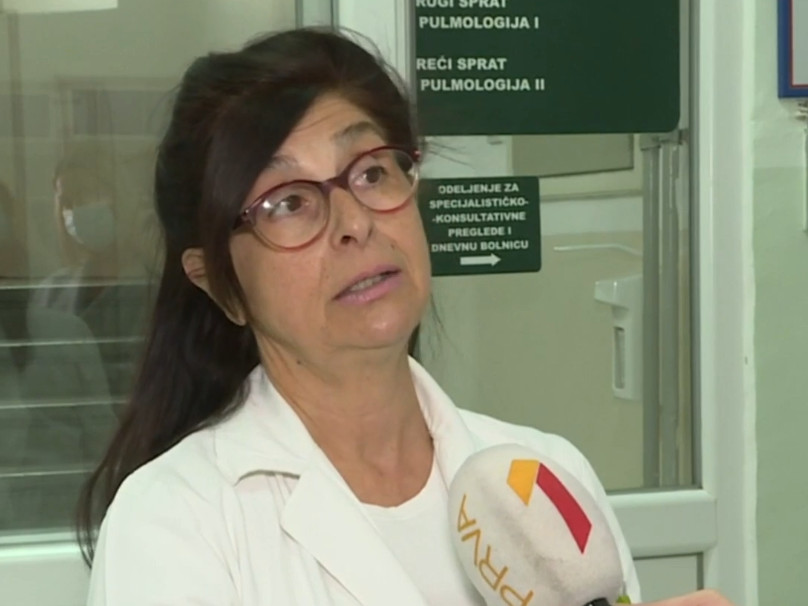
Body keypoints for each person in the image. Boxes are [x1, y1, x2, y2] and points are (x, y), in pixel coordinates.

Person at [76, 28, 736, 606]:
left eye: (371, 173)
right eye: (288, 203)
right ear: (221, 285)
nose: (355, 223)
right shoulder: (174, 521)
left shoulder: (542, 477)